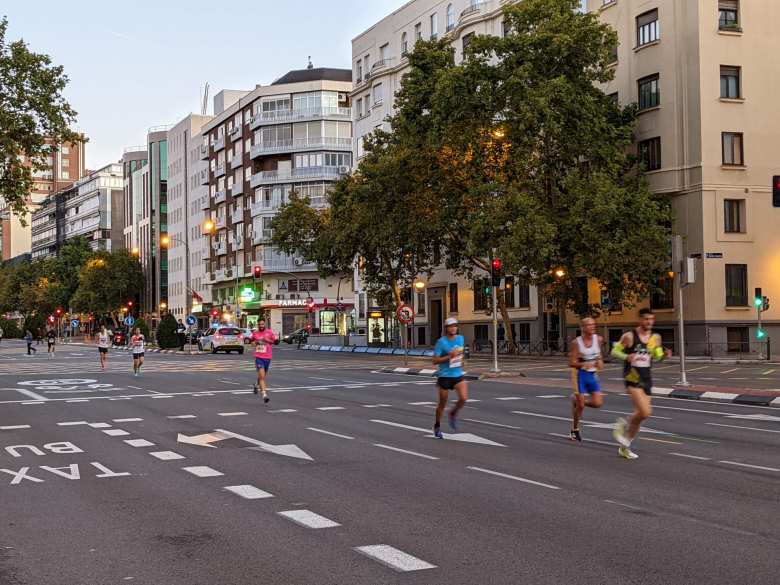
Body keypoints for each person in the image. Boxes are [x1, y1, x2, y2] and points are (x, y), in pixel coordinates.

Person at [611, 308, 671, 460]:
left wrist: (664, 355)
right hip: (632, 377)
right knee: (645, 412)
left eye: (652, 319)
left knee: (641, 416)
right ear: (640, 320)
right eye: (646, 319)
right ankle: (622, 424)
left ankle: (625, 447)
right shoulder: (630, 336)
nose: (649, 322)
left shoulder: (655, 337)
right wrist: (626, 356)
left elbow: (656, 357)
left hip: (647, 378)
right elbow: (614, 352)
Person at [432, 317, 468, 439]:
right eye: (450, 326)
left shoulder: (460, 339)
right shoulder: (441, 342)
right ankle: (437, 425)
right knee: (442, 404)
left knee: (463, 398)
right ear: (446, 328)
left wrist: (462, 361)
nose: (453, 328)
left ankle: (453, 413)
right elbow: (434, 361)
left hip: (457, 374)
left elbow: (460, 354)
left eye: (455, 326)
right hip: (444, 376)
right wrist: (449, 356)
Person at [568, 317, 604, 442]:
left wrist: (600, 362)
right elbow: (571, 362)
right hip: (579, 375)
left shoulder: (598, 339)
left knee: (598, 403)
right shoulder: (576, 343)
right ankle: (575, 429)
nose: (592, 327)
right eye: (589, 325)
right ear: (582, 328)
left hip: (592, 374)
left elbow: (599, 356)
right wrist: (583, 364)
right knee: (581, 405)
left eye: (594, 324)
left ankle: (574, 399)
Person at [251, 318, 278, 404]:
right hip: (258, 357)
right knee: (262, 376)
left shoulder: (269, 332)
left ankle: (256, 384)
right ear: (257, 325)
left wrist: (267, 340)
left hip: (268, 357)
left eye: (262, 324)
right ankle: (264, 395)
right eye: (259, 324)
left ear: (264, 324)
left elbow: (275, 342)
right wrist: (256, 343)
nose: (261, 326)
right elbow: (252, 343)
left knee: (262, 376)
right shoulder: (255, 333)